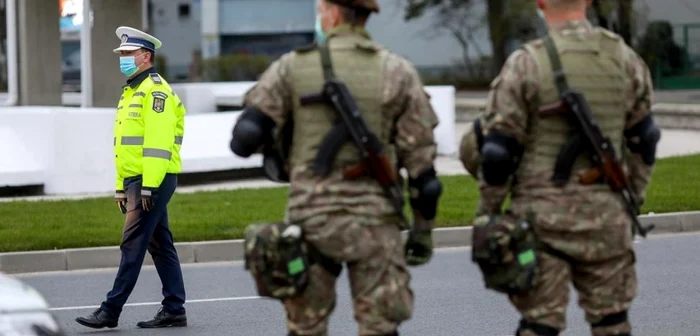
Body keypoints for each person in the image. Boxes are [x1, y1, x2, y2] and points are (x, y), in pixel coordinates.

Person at [230, 0, 442, 335]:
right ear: (365, 16)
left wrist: (280, 145)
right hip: (376, 224)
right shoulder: (398, 71)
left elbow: (243, 139)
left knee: (306, 327)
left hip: (312, 223)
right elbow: (425, 178)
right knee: (381, 328)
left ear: (330, 12)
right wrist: (422, 233)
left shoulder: (291, 68)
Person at [467, 0, 660, 335]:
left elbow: (498, 154)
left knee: (540, 323)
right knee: (612, 322)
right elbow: (645, 140)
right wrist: (631, 200)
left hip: (541, 224)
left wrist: (490, 214)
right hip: (606, 220)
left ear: (540, 2)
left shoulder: (526, 63)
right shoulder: (624, 59)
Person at [75, 26, 188, 330]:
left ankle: (110, 310)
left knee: (132, 244)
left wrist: (148, 186)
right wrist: (120, 188)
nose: (123, 58)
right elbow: (123, 147)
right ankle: (175, 308)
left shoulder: (156, 91)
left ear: (145, 56)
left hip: (152, 180)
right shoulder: (132, 91)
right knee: (160, 244)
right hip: (136, 180)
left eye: (127, 53)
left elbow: (158, 144)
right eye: (122, 54)